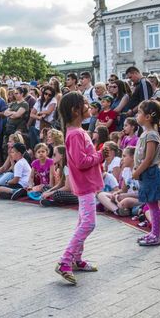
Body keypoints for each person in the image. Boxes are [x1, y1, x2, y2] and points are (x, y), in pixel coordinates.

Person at [55, 92, 106, 284]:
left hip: (86, 183)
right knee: (88, 223)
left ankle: (76, 259)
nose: (89, 106)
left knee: (82, 222)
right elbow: (81, 161)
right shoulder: (76, 134)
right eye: (85, 103)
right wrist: (100, 156)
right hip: (85, 184)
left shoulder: (77, 131)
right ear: (75, 110)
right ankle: (65, 260)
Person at [132, 100, 160, 246]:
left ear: (148, 117)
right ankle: (154, 232)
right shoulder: (146, 133)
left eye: (139, 112)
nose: (137, 115)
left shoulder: (152, 135)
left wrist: (137, 172)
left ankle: (157, 235)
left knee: (153, 206)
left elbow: (148, 159)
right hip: (145, 174)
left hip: (150, 173)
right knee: (150, 205)